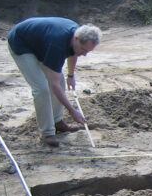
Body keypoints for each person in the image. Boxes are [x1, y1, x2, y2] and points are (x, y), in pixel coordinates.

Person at [7, 18, 101, 147]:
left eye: (88, 52)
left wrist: (70, 75)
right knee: (41, 88)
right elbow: (53, 84)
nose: (84, 55)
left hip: (41, 43)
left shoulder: (77, 34)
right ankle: (47, 133)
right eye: (84, 50)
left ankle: (57, 121)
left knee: (61, 82)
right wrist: (72, 110)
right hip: (21, 42)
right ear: (76, 39)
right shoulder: (58, 44)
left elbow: (74, 53)